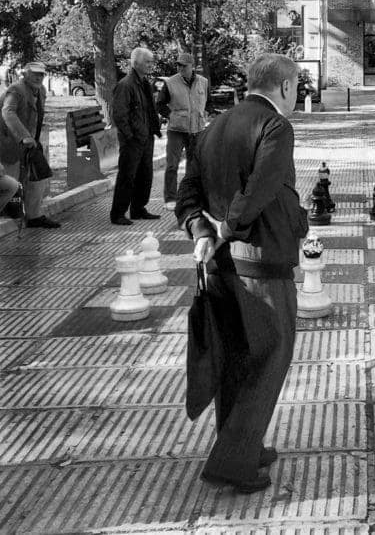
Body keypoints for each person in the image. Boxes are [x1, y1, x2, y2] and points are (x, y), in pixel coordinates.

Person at [176, 53, 309, 494]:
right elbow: (262, 186)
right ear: (286, 87)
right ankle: (234, 462)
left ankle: (243, 445)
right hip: (259, 260)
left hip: (219, 263)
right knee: (270, 356)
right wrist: (229, 228)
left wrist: (202, 229)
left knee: (236, 358)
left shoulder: (213, 125)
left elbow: (188, 190)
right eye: (297, 87)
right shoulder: (276, 126)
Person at [0, 61, 60, 228]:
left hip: (27, 142)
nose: (38, 77)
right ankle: (9, 216)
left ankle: (34, 216)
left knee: (37, 175)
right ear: (25, 74)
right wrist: (24, 136)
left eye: (41, 74)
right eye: (34, 73)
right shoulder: (16, 90)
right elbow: (7, 111)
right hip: (7, 141)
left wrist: (33, 138)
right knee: (9, 181)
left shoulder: (41, 90)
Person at [110, 47, 162, 225]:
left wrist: (154, 129)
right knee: (127, 176)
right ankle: (118, 213)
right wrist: (130, 136)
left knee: (145, 175)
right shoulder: (126, 85)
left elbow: (148, 109)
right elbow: (119, 115)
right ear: (136, 63)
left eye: (151, 61)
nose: (150, 65)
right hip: (133, 140)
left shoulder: (144, 83)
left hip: (146, 137)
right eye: (147, 62)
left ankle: (138, 209)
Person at [157, 52, 208, 209]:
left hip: (197, 129)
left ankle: (190, 196)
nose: (180, 68)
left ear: (192, 66)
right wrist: (171, 115)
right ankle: (170, 198)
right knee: (172, 164)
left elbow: (208, 101)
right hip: (176, 130)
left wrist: (205, 114)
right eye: (178, 65)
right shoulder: (170, 83)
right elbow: (159, 104)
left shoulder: (203, 82)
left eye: (183, 66)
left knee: (193, 166)